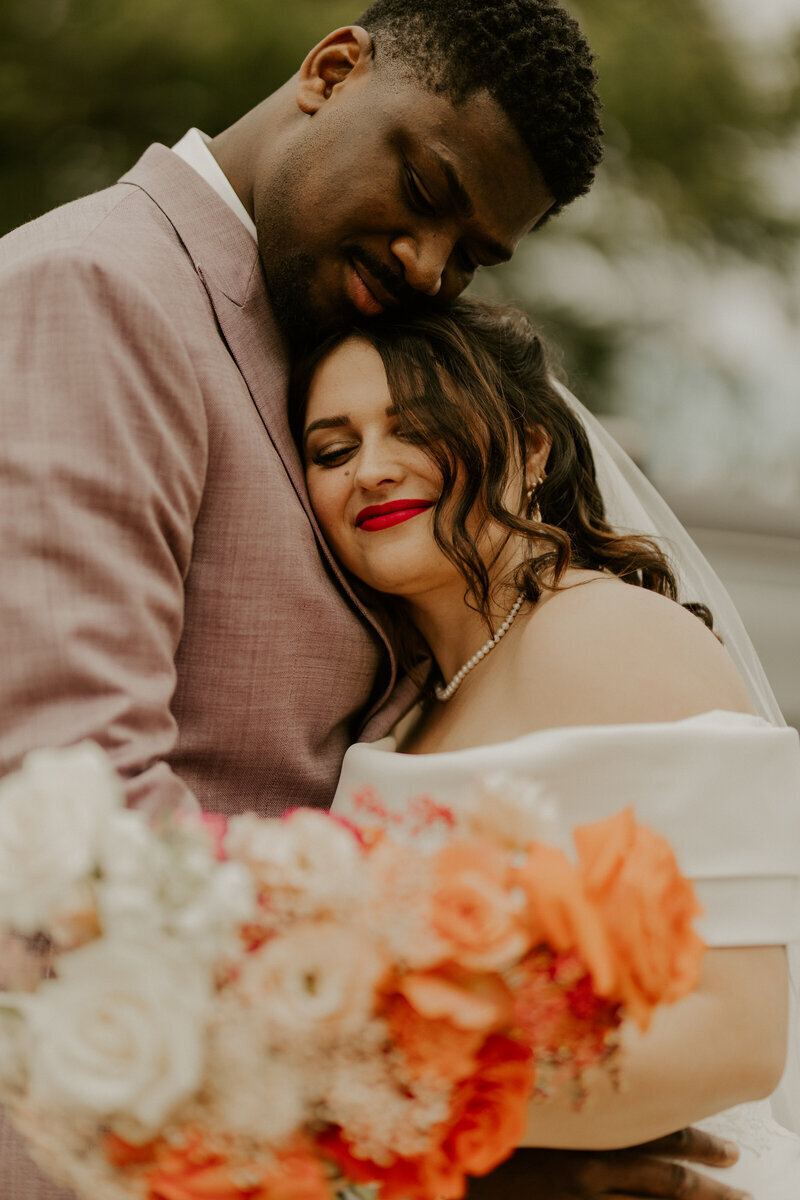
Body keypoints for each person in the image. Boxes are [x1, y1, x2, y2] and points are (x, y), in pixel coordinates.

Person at [0, 0, 745, 1193]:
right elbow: (65, 815)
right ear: (332, 68)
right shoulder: (98, 291)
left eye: (470, 255)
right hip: (97, 1146)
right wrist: (462, 1129)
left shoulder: (305, 330)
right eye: (426, 189)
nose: (424, 264)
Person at [295, 296, 800, 1196]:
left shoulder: (610, 635)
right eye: (333, 450)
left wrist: (361, 1111)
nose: (371, 469)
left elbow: (735, 1035)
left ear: (532, 451)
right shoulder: (410, 708)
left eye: (417, 428)